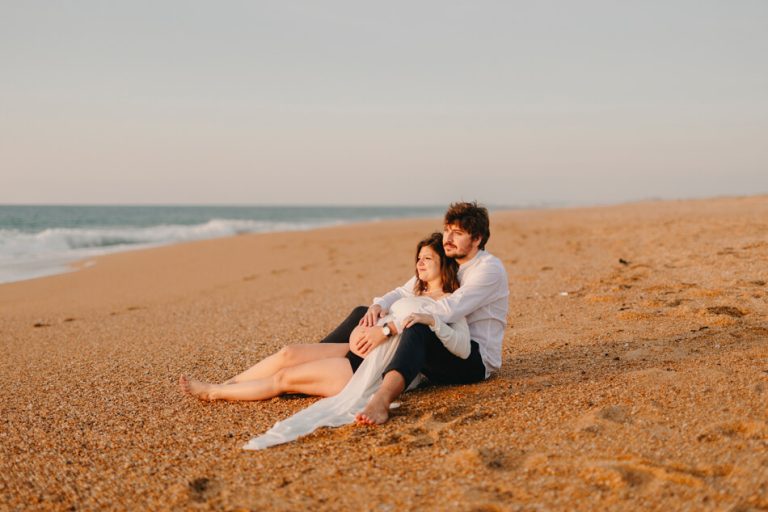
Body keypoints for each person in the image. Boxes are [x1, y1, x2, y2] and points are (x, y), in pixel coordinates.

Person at [178, 232, 467, 405]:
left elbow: (457, 346)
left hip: (362, 373)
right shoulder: (410, 291)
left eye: (427, 258)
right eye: (418, 258)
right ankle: (231, 383)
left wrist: (397, 328)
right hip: (356, 352)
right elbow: (390, 301)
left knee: (284, 379)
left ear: (444, 264)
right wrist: (377, 311)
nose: (419, 263)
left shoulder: (448, 305)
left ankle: (215, 393)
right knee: (288, 352)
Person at [342, 201, 510, 425]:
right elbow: (404, 291)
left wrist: (388, 328)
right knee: (363, 312)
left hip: (472, 358)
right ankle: (330, 354)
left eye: (457, 233)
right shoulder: (449, 259)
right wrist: (378, 306)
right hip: (444, 339)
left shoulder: (488, 269)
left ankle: (381, 400)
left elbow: (446, 310)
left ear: (477, 239)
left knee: (418, 327)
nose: (447, 239)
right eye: (447, 230)